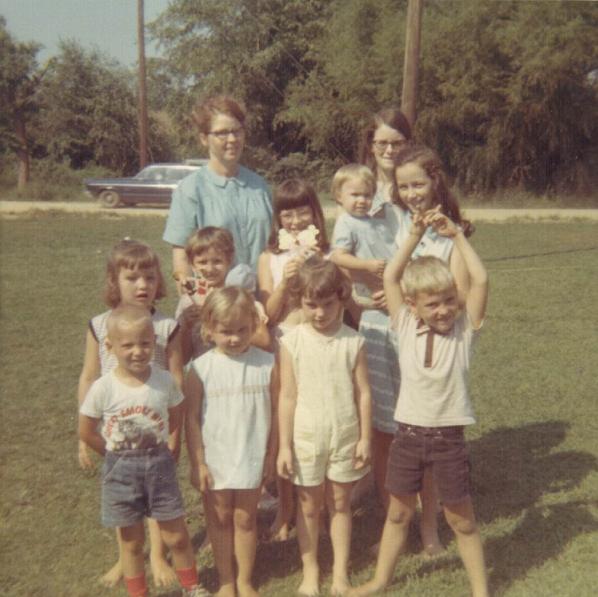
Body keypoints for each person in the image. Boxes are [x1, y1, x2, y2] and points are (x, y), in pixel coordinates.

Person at [348, 210, 489, 597]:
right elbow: (392, 276)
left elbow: (480, 279)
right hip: (407, 437)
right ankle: (380, 581)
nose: (443, 310)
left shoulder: (464, 330)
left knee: (461, 521)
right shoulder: (405, 325)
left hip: (448, 439)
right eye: (432, 304)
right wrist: (414, 234)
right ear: (412, 306)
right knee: (398, 513)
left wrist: (456, 236)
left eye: (448, 301)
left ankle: (481, 591)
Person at [79, 306, 209, 597]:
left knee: (176, 535)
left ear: (154, 343)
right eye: (128, 345)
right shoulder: (103, 387)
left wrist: (167, 440)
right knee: (132, 542)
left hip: (159, 465)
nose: (137, 351)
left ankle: (192, 588)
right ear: (110, 346)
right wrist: (113, 454)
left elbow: (176, 413)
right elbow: (86, 430)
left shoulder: (163, 381)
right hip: (120, 470)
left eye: (145, 343)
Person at [76, 238, 184, 588]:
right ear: (114, 282)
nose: (142, 286)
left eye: (150, 278)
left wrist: (175, 434)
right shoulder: (99, 325)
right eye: (132, 278)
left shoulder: (166, 326)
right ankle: (126, 559)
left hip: (154, 424)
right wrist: (84, 438)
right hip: (116, 428)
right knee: (124, 497)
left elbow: (177, 380)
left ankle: (157, 555)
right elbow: (89, 375)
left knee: (157, 494)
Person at [277, 257, 372, 597]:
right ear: (299, 302)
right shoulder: (291, 342)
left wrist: (365, 437)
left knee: (340, 504)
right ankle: (311, 570)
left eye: (328, 304)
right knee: (308, 507)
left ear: (341, 298)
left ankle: (340, 572)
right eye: (311, 305)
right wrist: (284, 446)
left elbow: (363, 393)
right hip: (306, 436)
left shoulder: (353, 341)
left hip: (344, 432)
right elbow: (287, 396)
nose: (320, 313)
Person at [185, 288, 278, 597]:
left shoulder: (267, 364)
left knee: (245, 518)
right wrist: (198, 463)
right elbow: (191, 419)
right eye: (226, 332)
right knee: (220, 517)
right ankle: (226, 580)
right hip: (216, 457)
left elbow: (277, 413)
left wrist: (272, 455)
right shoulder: (200, 369)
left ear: (254, 325)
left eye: (242, 330)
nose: (235, 338)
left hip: (251, 454)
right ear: (209, 329)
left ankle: (245, 580)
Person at [257, 178, 330, 541]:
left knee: (317, 423)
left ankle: (317, 505)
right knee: (284, 425)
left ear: (314, 213)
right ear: (278, 219)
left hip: (320, 346)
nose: (296, 221)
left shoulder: (327, 253)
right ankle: (285, 508)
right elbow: (268, 316)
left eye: (303, 212)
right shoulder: (269, 258)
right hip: (284, 343)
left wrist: (316, 268)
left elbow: (338, 301)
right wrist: (285, 282)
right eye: (288, 214)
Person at [163, 95, 272, 281]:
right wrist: (192, 295)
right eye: (222, 133)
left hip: (265, 297)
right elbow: (181, 261)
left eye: (237, 131)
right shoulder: (190, 190)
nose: (232, 139)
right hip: (215, 297)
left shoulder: (259, 186)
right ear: (204, 139)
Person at [175, 226, 270, 363]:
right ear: (192, 264)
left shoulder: (239, 296)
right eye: (202, 262)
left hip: (241, 366)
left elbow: (264, 340)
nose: (210, 269)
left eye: (217, 261)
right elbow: (182, 358)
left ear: (229, 259)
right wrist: (186, 327)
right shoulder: (188, 302)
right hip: (206, 371)